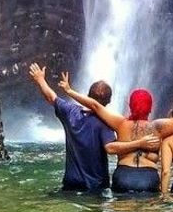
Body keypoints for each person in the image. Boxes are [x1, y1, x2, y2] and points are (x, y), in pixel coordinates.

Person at [58, 73, 173, 194]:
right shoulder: (159, 126)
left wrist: (70, 91)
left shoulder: (120, 123)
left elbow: (95, 106)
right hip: (148, 179)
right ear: (151, 107)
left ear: (130, 105)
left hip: (122, 177)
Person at [28, 63, 115, 194]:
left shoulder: (70, 112)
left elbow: (51, 97)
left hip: (70, 184)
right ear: (108, 102)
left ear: (87, 96)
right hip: (97, 187)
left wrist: (40, 79)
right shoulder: (106, 123)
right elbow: (112, 148)